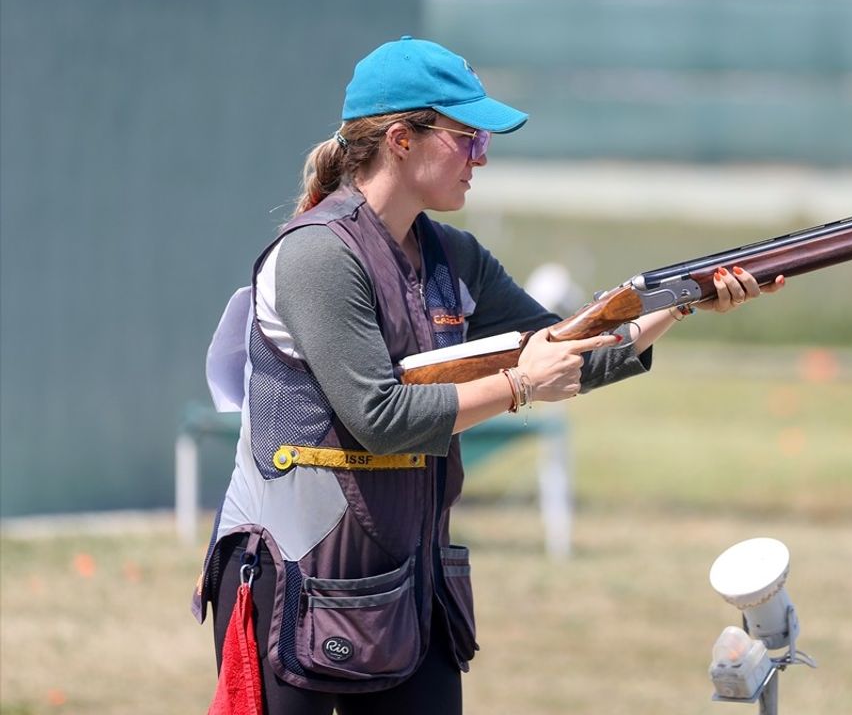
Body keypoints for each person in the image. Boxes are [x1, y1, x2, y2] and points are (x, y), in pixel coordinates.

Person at [193, 36, 783, 715]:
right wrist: (519, 385)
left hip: (407, 581)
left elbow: (572, 346)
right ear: (401, 140)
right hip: (294, 579)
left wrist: (685, 302)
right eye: (467, 137)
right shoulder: (318, 257)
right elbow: (379, 420)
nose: (482, 155)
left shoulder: (454, 258)